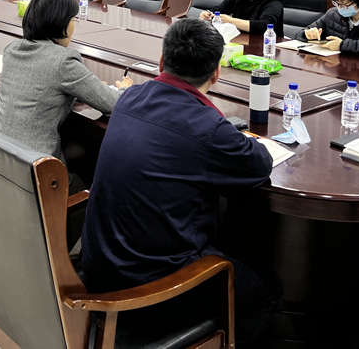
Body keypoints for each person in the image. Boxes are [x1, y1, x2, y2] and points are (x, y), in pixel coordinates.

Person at [80, 18, 283, 348]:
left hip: (97, 267)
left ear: (162, 61)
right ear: (216, 73)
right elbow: (259, 164)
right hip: (152, 288)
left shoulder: (130, 97)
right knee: (267, 287)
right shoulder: (209, 127)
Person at [0, 0, 132, 189]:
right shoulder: (63, 61)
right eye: (73, 20)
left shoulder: (12, 49)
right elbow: (113, 104)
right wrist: (124, 89)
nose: (74, 26)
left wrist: (79, 90)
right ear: (60, 23)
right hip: (36, 172)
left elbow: (41, 85)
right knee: (89, 182)